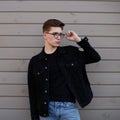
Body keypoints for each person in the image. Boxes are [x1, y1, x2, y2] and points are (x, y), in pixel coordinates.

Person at [28, 19, 101, 120]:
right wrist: (34, 117)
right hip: (46, 111)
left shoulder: (70, 53)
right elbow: (33, 92)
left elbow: (95, 57)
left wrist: (78, 40)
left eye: (60, 34)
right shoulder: (35, 61)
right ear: (45, 35)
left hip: (69, 108)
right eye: (55, 34)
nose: (58, 37)